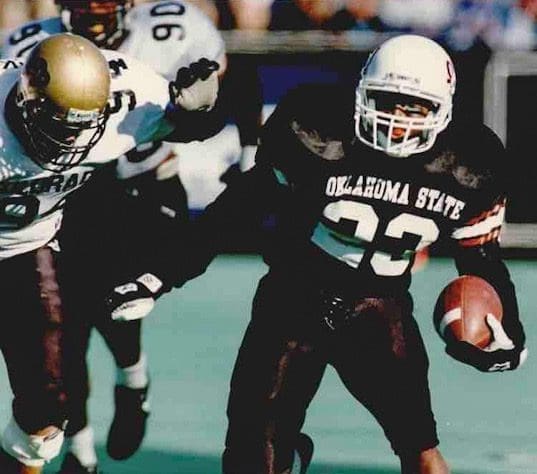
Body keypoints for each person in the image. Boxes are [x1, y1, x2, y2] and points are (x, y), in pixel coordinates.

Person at [105, 34, 528, 473]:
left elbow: (481, 259)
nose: (398, 121)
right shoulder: (315, 130)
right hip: (293, 300)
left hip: (379, 309)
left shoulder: (469, 165)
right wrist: (158, 276)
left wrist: (506, 333)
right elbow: (235, 210)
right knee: (253, 454)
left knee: (419, 447)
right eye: (387, 101)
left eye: (414, 107)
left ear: (442, 111)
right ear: (362, 95)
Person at [3, 1, 228, 471]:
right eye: (57, 125)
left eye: (80, 127)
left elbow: (187, 121)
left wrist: (199, 110)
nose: (69, 142)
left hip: (26, 245)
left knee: (45, 412)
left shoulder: (128, 91)